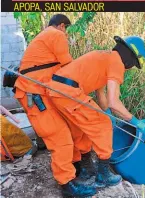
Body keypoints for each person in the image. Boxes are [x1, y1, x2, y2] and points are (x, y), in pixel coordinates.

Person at [47, 35, 145, 188]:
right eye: (133, 64)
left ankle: (86, 169)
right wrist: (136, 122)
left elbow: (101, 96)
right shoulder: (117, 62)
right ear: (130, 58)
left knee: (83, 128)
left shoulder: (105, 57)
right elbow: (114, 101)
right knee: (103, 124)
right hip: (69, 92)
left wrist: (107, 111)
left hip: (57, 90)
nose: (129, 68)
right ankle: (103, 174)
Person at [13, 14, 96, 197]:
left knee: (71, 127)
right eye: (65, 30)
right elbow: (69, 68)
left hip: (39, 93)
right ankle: (66, 185)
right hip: (34, 96)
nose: (65, 34)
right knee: (60, 137)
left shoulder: (44, 39)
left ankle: (74, 171)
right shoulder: (56, 34)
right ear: (61, 26)